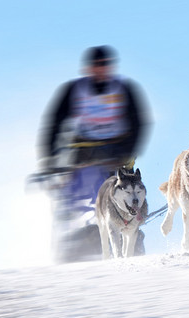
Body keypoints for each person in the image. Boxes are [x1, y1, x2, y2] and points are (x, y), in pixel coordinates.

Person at [37, 45, 151, 262]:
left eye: (105, 65)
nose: (101, 70)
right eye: (97, 66)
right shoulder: (73, 90)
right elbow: (54, 124)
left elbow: (138, 123)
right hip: (83, 153)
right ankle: (72, 239)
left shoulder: (123, 89)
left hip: (116, 152)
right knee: (75, 193)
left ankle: (131, 234)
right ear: (88, 68)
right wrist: (49, 158)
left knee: (119, 191)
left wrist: (126, 150)